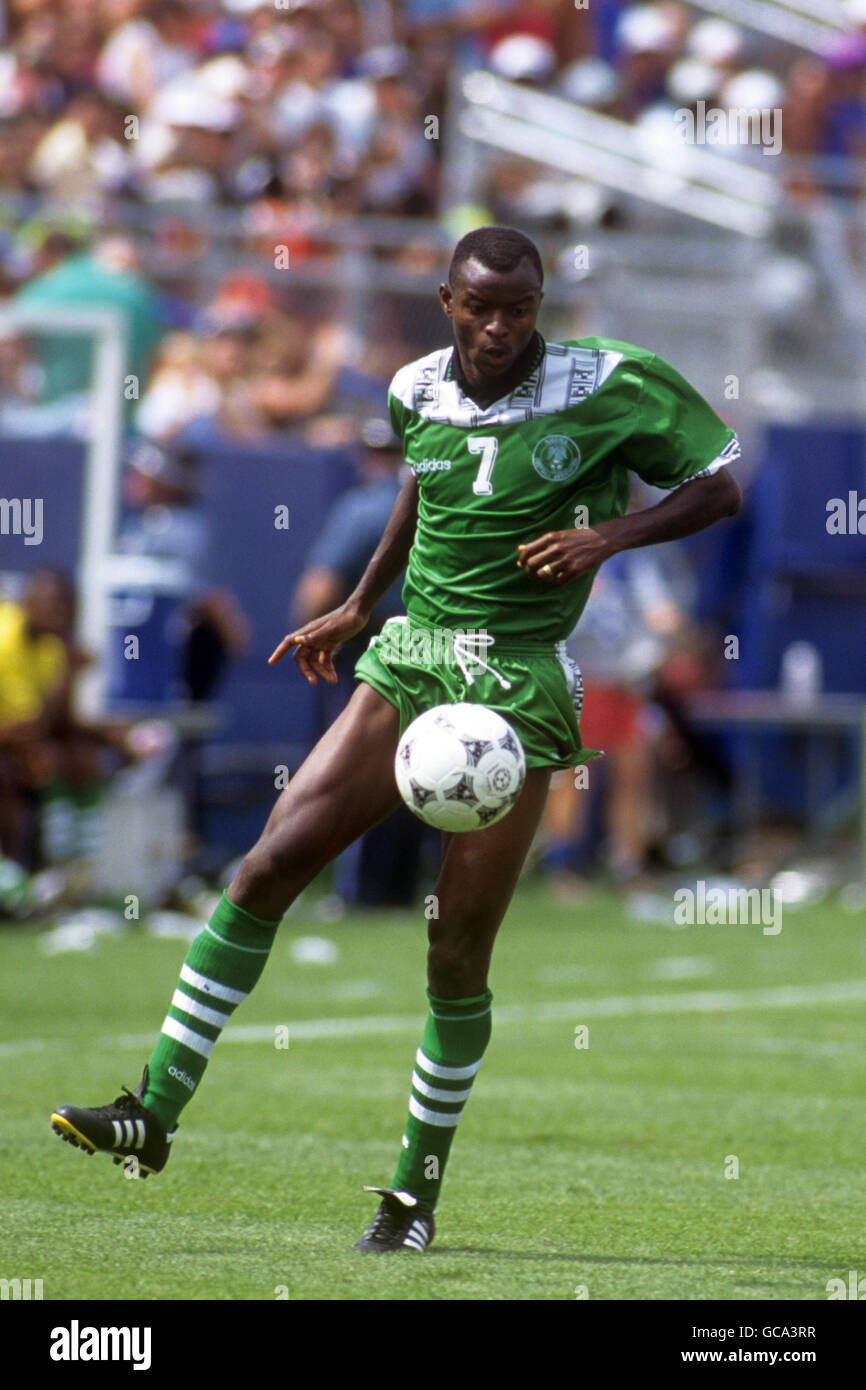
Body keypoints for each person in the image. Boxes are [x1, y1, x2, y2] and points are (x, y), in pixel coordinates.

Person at [50, 225, 741, 1253]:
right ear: (445, 300)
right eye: (480, 307)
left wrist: (607, 533)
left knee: (453, 953)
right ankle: (152, 1109)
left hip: (516, 680)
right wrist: (361, 604)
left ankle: (410, 1197)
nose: (500, 326)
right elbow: (418, 486)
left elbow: (720, 481)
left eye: (519, 308)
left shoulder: (613, 385)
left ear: (538, 300)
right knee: (264, 867)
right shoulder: (411, 388)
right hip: (410, 654)